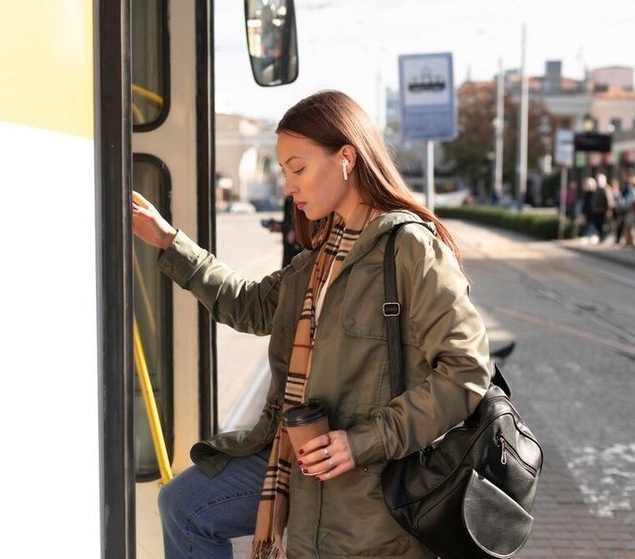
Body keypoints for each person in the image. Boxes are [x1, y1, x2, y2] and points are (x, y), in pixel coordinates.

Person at [131, 89, 492, 559]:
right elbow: (249, 305)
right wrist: (169, 241)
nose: (288, 186)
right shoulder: (321, 258)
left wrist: (362, 442)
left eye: (297, 168)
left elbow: (465, 372)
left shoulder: (410, 249)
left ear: (346, 158)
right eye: (283, 171)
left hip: (371, 479)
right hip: (300, 462)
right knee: (185, 504)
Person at [265, 195, 303, 267]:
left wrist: (295, 231)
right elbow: (287, 222)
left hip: (299, 251)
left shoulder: (301, 197)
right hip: (288, 251)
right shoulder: (289, 199)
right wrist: (278, 226)